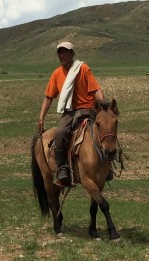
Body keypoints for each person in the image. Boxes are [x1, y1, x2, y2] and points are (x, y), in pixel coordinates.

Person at [37, 41, 105, 185]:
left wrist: (102, 106)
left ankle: (107, 165)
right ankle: (63, 168)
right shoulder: (56, 74)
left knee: (105, 129)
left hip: (87, 109)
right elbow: (48, 98)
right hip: (70, 112)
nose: (62, 55)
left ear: (72, 53)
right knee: (61, 133)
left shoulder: (83, 68)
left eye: (65, 52)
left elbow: (96, 89)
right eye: (59, 52)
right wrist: (41, 117)